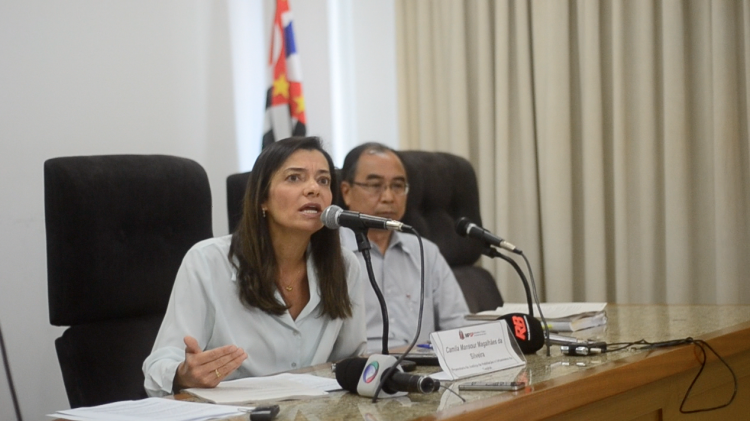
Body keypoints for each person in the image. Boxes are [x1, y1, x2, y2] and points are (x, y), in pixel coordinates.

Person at [143, 137, 367, 396]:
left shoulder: (345, 265)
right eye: (294, 178)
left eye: (323, 180)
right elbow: (158, 367)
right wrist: (184, 374)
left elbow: (349, 363)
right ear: (263, 199)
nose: (313, 189)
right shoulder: (207, 261)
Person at [339, 142, 471, 351]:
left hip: (425, 370)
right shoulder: (330, 255)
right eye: (375, 185)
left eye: (398, 186)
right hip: (361, 372)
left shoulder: (425, 251)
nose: (389, 197)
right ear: (346, 192)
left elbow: (459, 327)